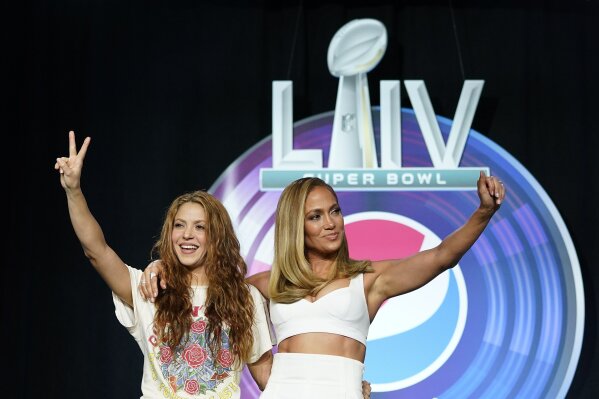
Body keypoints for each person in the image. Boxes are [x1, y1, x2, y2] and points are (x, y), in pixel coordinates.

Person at [142, 173, 503, 398]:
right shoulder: (268, 284)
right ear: (296, 226)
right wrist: (161, 265)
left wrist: (483, 212)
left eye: (335, 210)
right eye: (316, 216)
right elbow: (207, 281)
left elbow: (441, 256)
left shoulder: (369, 280)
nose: (331, 223)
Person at [55, 131, 273, 399]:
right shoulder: (151, 288)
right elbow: (96, 252)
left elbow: (267, 379)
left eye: (200, 227)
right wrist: (73, 191)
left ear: (217, 237)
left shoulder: (244, 298)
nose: (187, 235)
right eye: (179, 225)